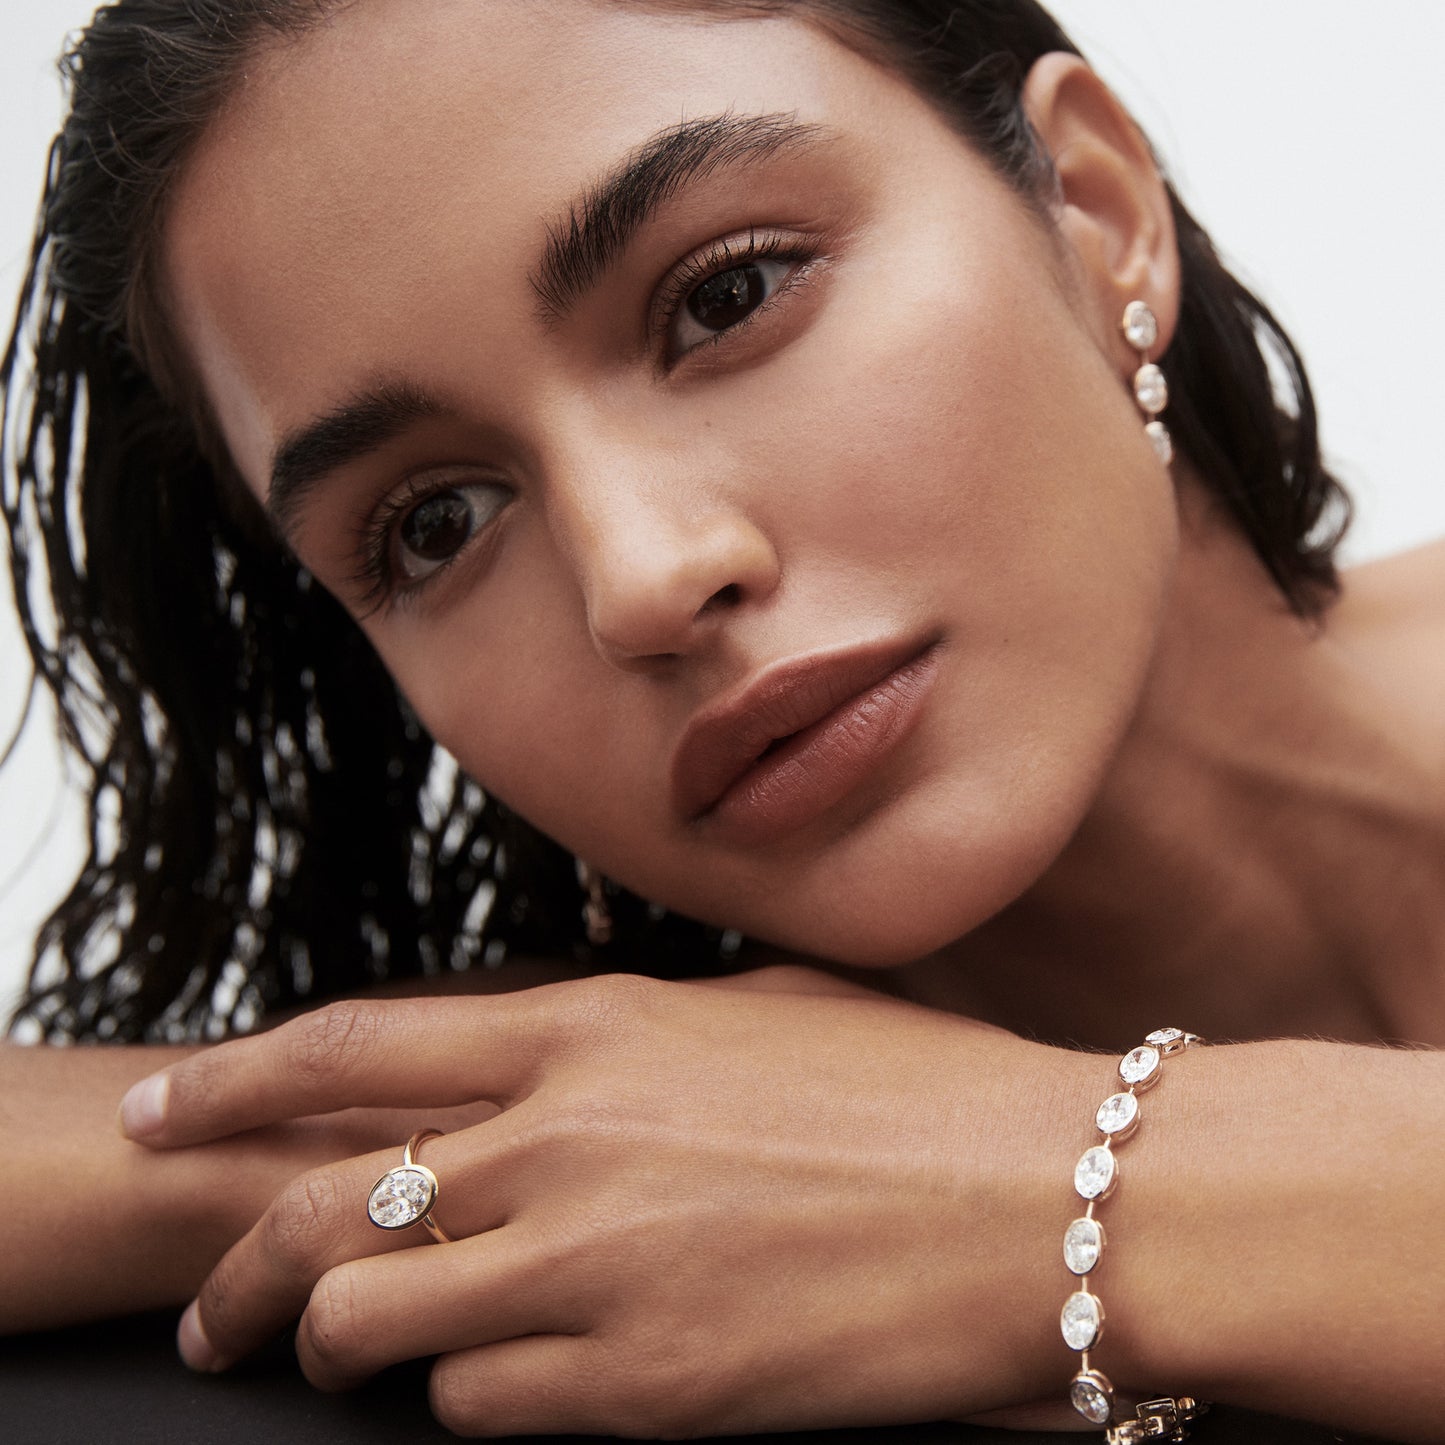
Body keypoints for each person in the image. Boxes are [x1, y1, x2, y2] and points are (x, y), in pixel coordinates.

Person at [1, 0, 1442, 1440]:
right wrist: (327, 1157)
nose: (640, 579)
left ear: (1092, 209)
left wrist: (1039, 1173)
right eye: (436, 524)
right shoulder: (631, 1116)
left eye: (727, 296)